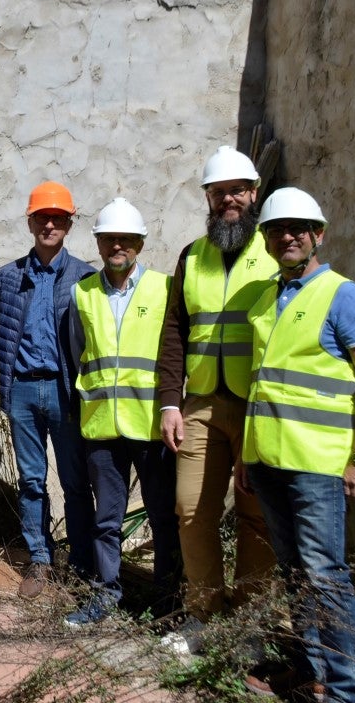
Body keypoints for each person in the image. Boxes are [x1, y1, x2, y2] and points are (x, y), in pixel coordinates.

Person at [237, 187, 355, 703]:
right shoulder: (266, 297)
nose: (288, 236)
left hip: (318, 465)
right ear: (265, 239)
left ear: (317, 235)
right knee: (296, 573)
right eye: (277, 229)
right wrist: (245, 452)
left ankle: (347, 690)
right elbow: (262, 384)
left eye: (299, 228)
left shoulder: (344, 294)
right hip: (268, 459)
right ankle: (311, 669)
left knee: (325, 576)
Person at [156, 145, 276, 649]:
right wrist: (169, 401)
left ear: (254, 194)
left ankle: (250, 623)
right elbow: (174, 331)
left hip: (258, 406)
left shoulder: (274, 252)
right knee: (190, 509)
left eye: (237, 192)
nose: (228, 200)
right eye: (218, 192)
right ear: (208, 198)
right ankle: (203, 614)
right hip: (201, 403)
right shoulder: (192, 255)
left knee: (256, 517)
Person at [65, 198, 181, 626]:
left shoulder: (164, 289)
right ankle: (105, 594)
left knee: (163, 517)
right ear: (97, 243)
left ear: (140, 244)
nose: (118, 246)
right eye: (109, 238)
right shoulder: (83, 292)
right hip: (101, 426)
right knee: (106, 519)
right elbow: (79, 354)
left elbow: (173, 356)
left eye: (126, 239)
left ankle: (168, 600)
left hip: (151, 426)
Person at [0, 181, 96, 600]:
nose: (49, 224)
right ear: (30, 222)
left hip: (66, 390)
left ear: (69, 223)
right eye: (42, 217)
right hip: (24, 393)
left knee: (74, 480)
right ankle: (39, 559)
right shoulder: (8, 277)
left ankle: (84, 560)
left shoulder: (85, 276)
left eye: (58, 218)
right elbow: (1, 330)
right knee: (32, 480)